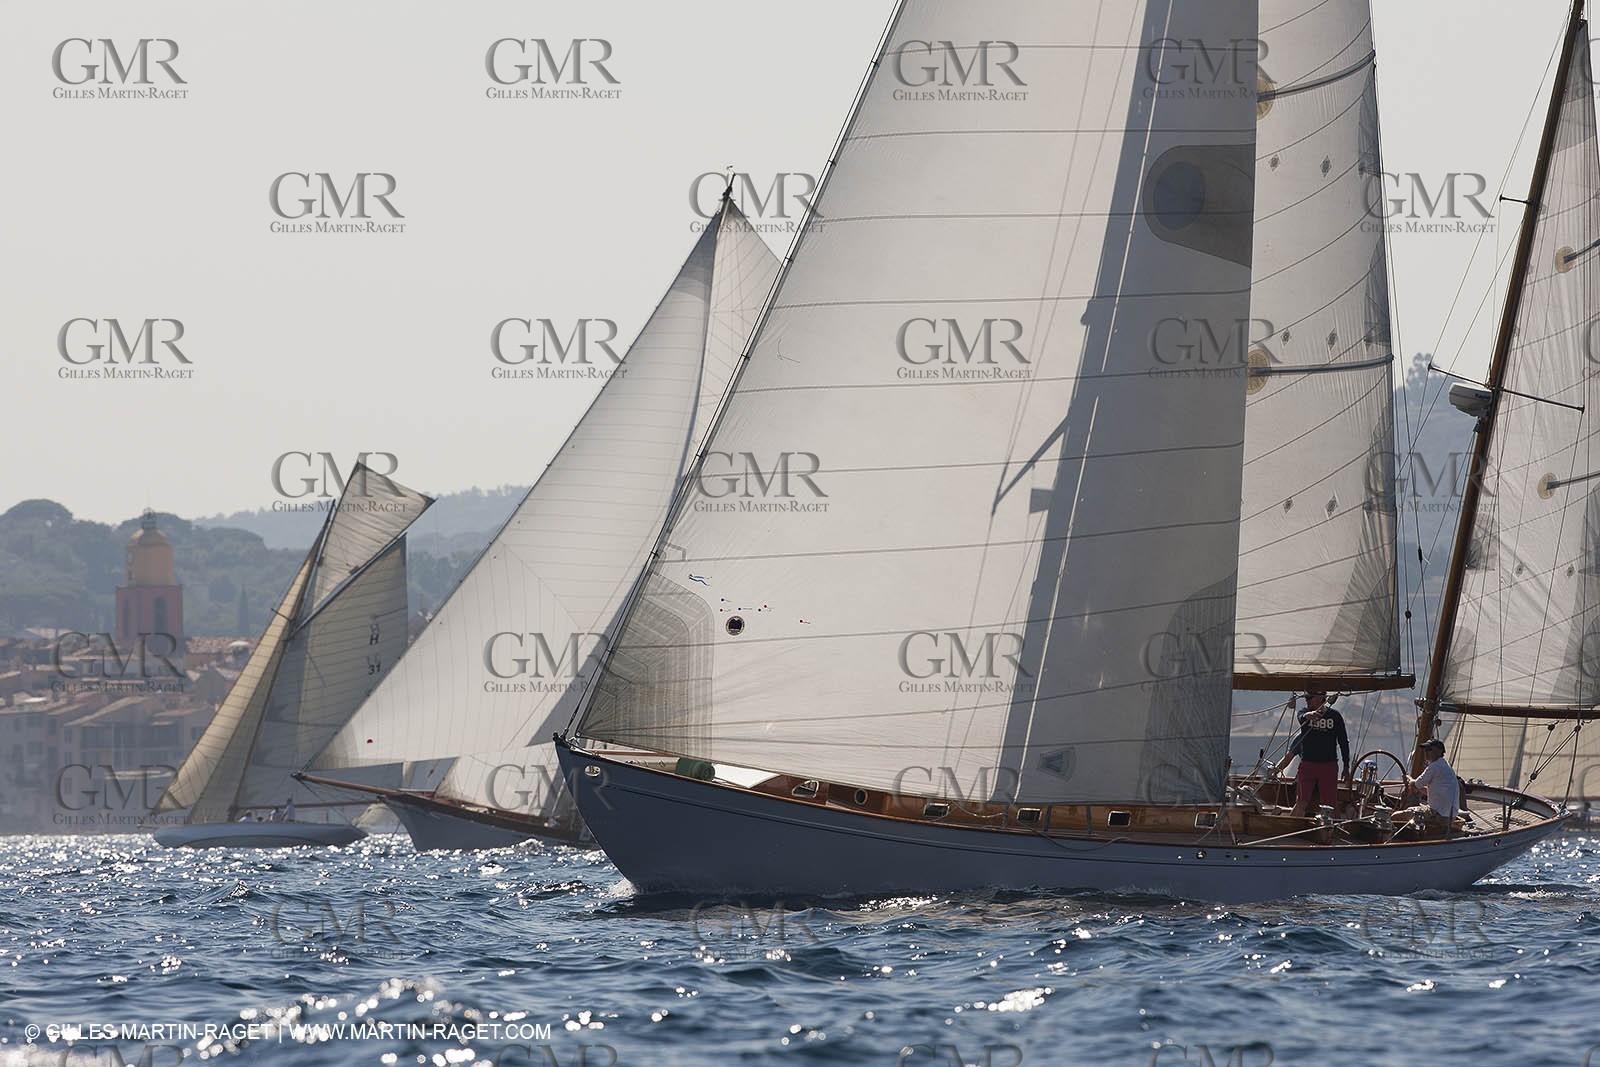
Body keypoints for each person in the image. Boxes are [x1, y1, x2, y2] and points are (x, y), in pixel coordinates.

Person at [1289, 690, 1350, 817]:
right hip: (1307, 765)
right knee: (1301, 802)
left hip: (1328, 766)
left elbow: (1343, 742)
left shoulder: (1335, 716)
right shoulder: (1304, 712)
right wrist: (1308, 715)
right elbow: (1301, 717)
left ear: (1321, 697)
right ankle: (1290, 829)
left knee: (1331, 805)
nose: (1307, 700)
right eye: (1306, 697)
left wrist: (1346, 766)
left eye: (1310, 697)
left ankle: (1335, 831)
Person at [1400, 738, 1460, 828]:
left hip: (1437, 815)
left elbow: (1415, 784)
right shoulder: (1444, 765)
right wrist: (1413, 783)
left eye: (1429, 749)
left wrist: (1408, 778)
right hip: (1449, 816)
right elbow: (1427, 789)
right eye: (1425, 750)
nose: (1426, 752)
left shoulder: (1434, 767)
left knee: (1397, 816)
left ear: (1439, 751)